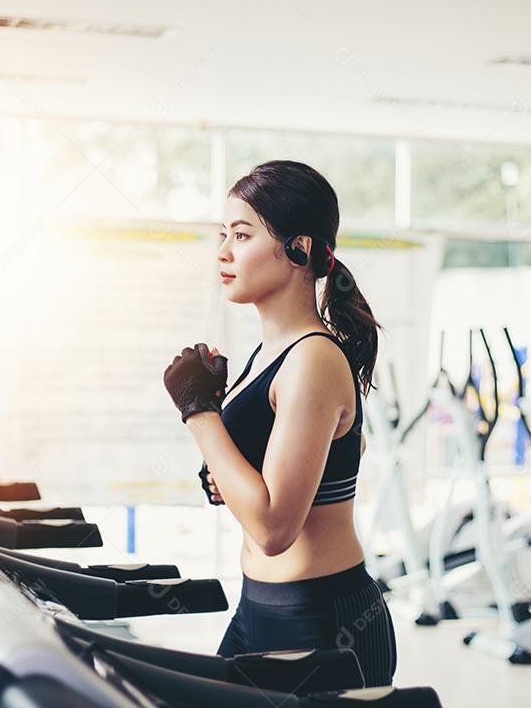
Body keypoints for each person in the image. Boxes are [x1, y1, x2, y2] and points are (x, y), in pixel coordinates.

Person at [162, 160, 397, 687]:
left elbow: (272, 529)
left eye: (241, 235)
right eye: (223, 235)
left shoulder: (312, 358)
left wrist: (199, 413)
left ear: (301, 250)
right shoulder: (269, 355)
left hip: (322, 624)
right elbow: (262, 492)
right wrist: (227, 468)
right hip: (257, 611)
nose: (222, 252)